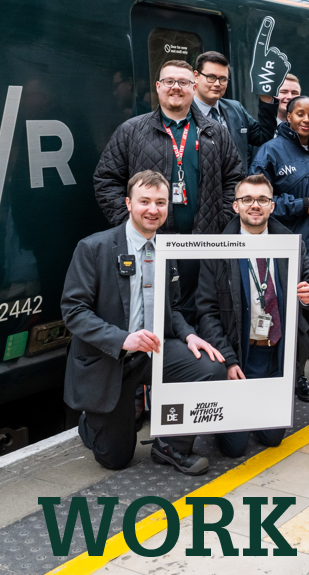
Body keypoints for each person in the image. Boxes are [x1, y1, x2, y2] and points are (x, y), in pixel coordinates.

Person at [62, 170, 227, 474]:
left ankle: (171, 447)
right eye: (145, 201)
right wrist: (123, 339)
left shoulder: (167, 248)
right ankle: (93, 419)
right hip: (110, 357)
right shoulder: (93, 248)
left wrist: (189, 335)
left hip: (153, 352)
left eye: (161, 203)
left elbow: (173, 307)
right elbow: (73, 310)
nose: (153, 210)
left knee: (210, 368)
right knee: (116, 460)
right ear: (128, 203)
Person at [93, 59, 243, 325]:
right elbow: (106, 180)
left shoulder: (216, 133)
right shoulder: (131, 131)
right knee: (151, 317)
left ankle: (192, 365)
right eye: (170, 82)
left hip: (202, 247)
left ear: (194, 87)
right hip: (151, 245)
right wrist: (129, 223)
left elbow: (234, 179)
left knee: (200, 316)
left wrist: (219, 220)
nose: (177, 87)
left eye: (184, 82)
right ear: (158, 87)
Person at [195, 175, 309, 456]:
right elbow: (206, 311)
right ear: (235, 206)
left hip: (276, 357)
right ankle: (231, 409)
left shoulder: (291, 245)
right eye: (247, 199)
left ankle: (259, 407)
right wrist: (228, 361)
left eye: (262, 200)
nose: (254, 205)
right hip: (240, 359)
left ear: (272, 206)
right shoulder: (217, 249)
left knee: (272, 439)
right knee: (234, 449)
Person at [251, 96, 309, 401]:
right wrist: (299, 205)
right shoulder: (270, 150)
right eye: (300, 113)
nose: (307, 120)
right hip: (285, 246)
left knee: (308, 314)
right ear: (288, 116)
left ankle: (298, 375)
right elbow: (258, 198)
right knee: (283, 312)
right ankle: (275, 372)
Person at [191, 51, 278, 169]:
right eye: (211, 77)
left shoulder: (236, 109)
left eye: (223, 79)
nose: (217, 84)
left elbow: (263, 137)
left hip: (236, 185)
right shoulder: (184, 111)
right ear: (196, 76)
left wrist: (266, 97)